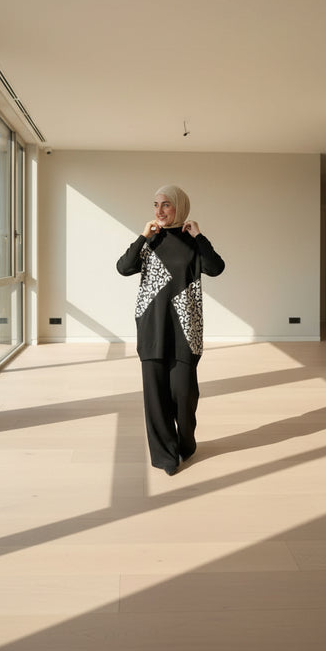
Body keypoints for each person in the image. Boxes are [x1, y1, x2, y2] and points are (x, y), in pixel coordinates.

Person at [116, 184, 225, 475]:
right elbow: (124, 267)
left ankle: (186, 443)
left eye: (166, 204)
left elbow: (215, 268)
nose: (159, 211)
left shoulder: (192, 242)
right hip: (152, 328)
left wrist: (199, 235)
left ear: (179, 206)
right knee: (156, 398)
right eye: (156, 205)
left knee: (184, 396)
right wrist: (143, 236)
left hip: (185, 330)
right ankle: (165, 456)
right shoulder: (150, 240)